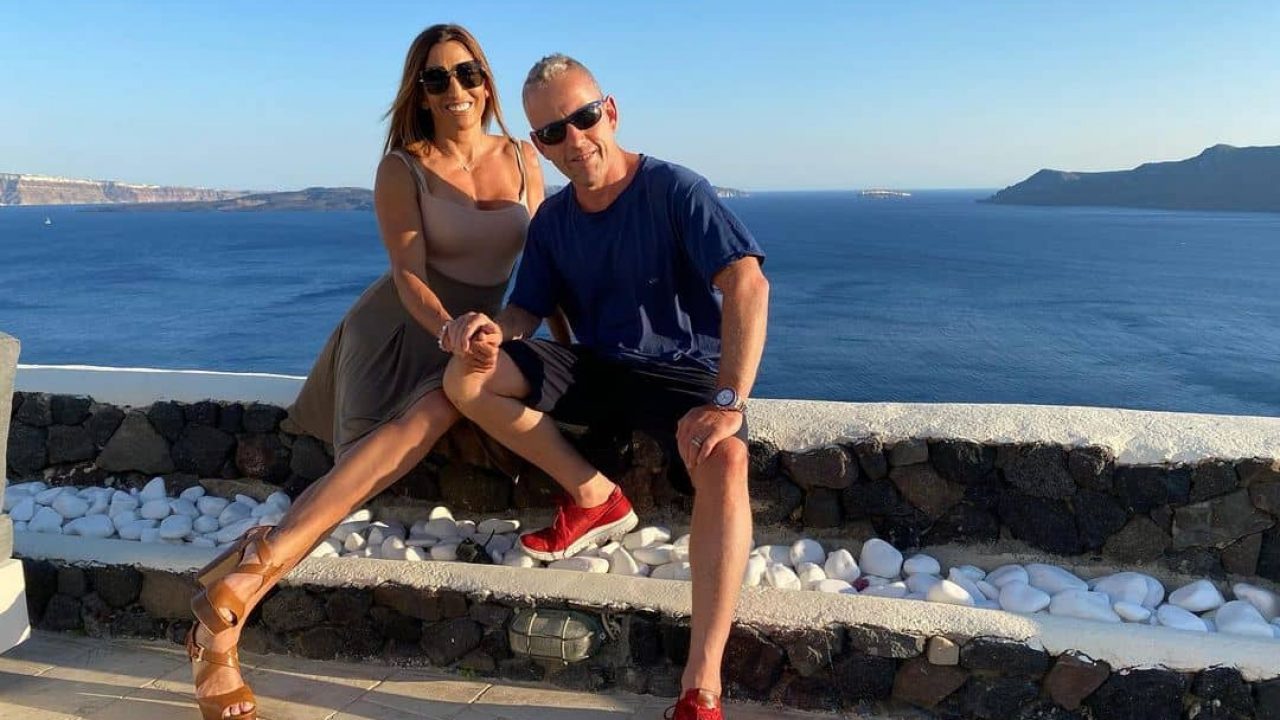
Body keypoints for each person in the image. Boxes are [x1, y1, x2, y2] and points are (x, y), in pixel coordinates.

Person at [186, 24, 551, 720]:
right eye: (437, 77)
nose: (455, 88)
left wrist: (527, 337)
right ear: (420, 91)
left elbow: (546, 269)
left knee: (414, 430)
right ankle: (220, 633)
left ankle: (228, 597)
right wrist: (448, 329)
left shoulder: (524, 158)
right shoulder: (402, 168)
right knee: (355, 480)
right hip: (401, 333)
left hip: (474, 335)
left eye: (467, 72)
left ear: (486, 81)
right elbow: (408, 275)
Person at [442, 54, 769, 720]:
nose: (575, 139)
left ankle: (701, 683)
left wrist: (728, 402)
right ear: (539, 144)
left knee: (727, 458)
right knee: (466, 379)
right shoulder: (554, 221)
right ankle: (596, 497)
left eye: (584, 117)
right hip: (597, 366)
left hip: (683, 371)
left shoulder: (675, 190)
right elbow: (526, 310)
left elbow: (747, 282)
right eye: (553, 132)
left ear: (610, 112)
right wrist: (488, 332)